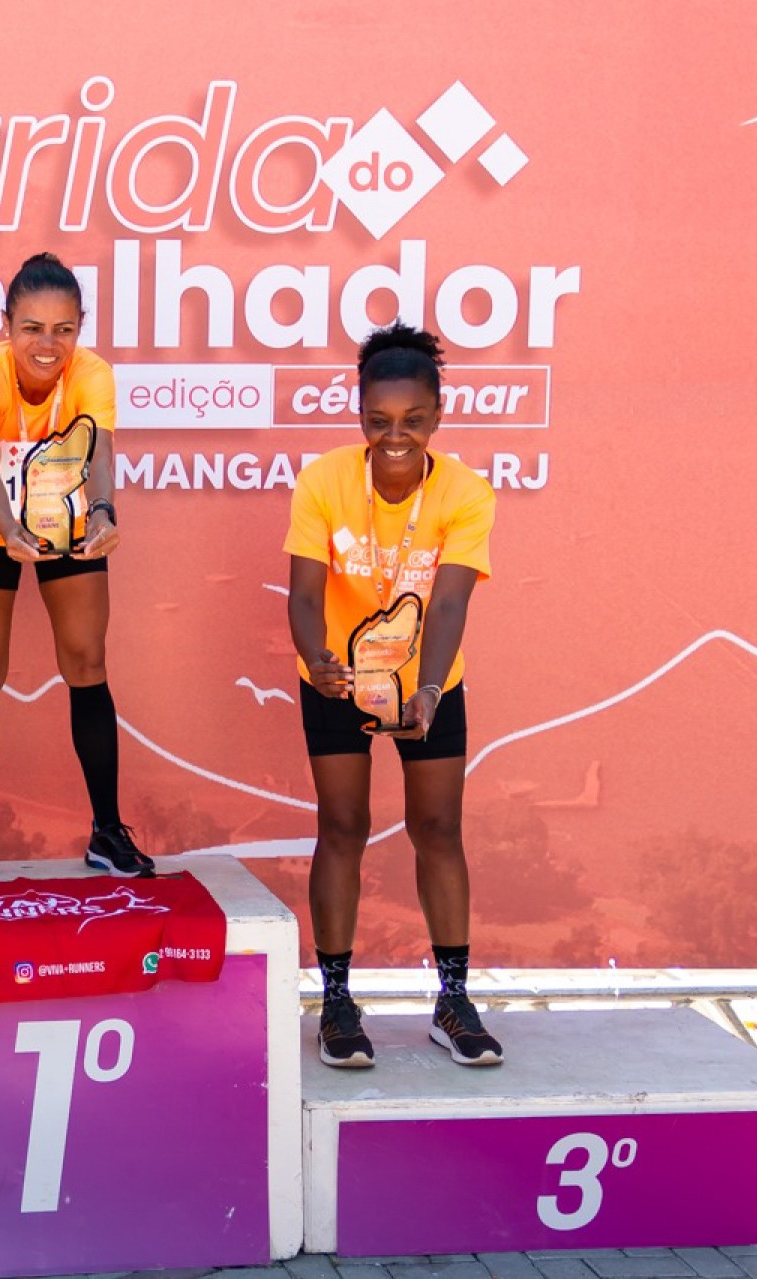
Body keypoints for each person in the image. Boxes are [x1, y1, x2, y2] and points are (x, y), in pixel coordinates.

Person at [284, 322, 502, 1069]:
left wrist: (432, 686)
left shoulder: (468, 493)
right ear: (361, 418)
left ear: (438, 417)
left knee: (437, 828)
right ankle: (338, 1001)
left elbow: (447, 605)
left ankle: (452, 998)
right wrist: (318, 661)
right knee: (342, 823)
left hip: (428, 682)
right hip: (336, 676)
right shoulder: (322, 480)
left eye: (412, 421)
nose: (395, 436)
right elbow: (306, 594)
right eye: (379, 422)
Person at [0, 252, 152, 889]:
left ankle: (108, 831)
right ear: (6, 325)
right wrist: (8, 532)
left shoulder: (93, 374)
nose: (48, 344)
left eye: (63, 329)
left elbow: (101, 452)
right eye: (32, 328)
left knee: (86, 663)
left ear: (80, 326)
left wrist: (105, 510)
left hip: (69, 522)